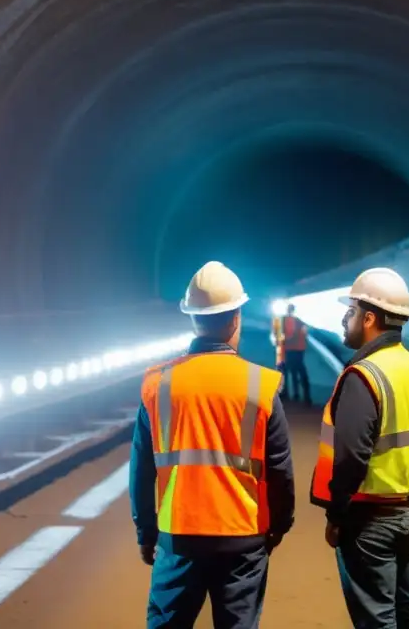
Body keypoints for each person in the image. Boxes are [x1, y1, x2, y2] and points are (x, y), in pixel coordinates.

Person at [130, 261, 296, 629]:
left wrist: (146, 533)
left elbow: (141, 469)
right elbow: (281, 468)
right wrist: (280, 525)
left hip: (178, 538)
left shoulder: (160, 384)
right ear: (236, 318)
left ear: (193, 319)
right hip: (242, 537)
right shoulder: (259, 384)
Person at [309, 267, 409, 629]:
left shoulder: (364, 375)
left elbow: (351, 456)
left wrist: (336, 515)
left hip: (370, 519)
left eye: (350, 311)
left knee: (377, 619)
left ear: (369, 318)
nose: (344, 319)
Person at [277, 303, 310, 405]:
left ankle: (288, 394)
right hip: (297, 350)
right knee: (296, 372)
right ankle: (300, 395)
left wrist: (286, 340)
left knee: (287, 371)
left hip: (290, 350)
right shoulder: (298, 321)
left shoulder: (287, 320)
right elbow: (303, 335)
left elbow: (288, 335)